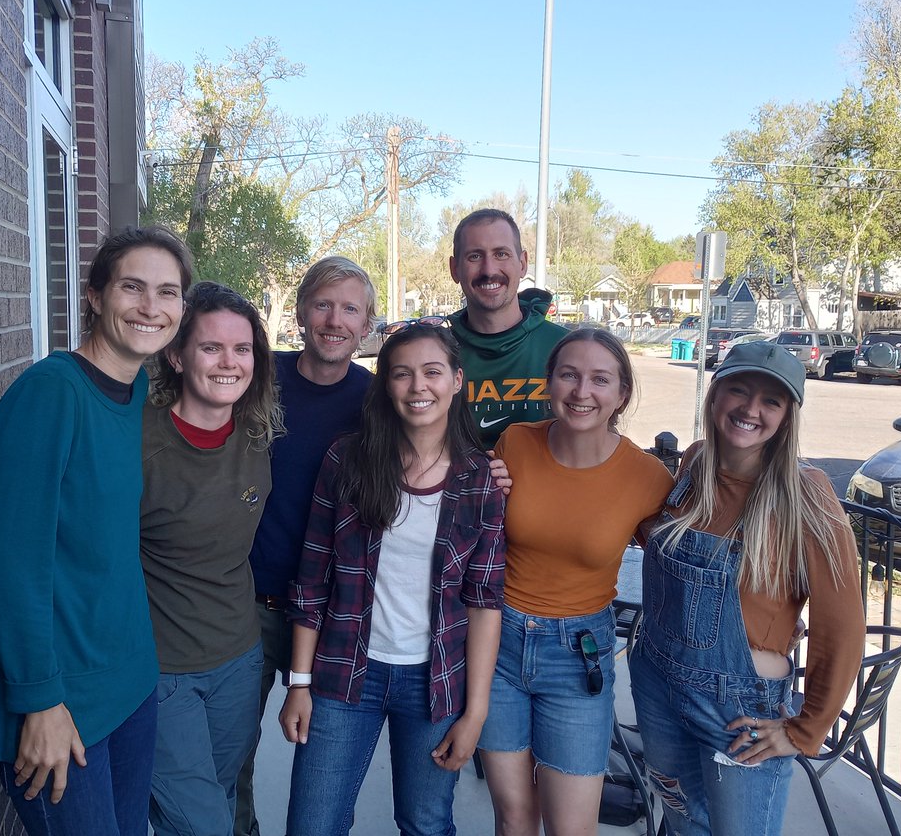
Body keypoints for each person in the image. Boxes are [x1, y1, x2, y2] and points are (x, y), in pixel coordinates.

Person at [0, 226, 192, 835]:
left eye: (168, 292)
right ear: (94, 296)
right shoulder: (50, 395)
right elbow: (9, 563)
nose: (151, 306)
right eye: (132, 287)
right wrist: (39, 699)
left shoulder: (135, 387)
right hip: (62, 702)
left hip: (130, 680)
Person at [629, 340, 866, 836]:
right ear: (715, 395)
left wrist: (806, 729)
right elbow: (665, 538)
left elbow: (841, 625)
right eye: (738, 390)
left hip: (738, 711)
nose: (750, 409)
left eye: (770, 401)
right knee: (683, 823)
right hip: (656, 681)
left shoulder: (807, 494)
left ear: (787, 416)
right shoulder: (695, 463)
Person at [280, 323, 506, 836]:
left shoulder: (480, 479)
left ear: (457, 380)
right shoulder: (347, 460)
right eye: (401, 374)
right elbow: (312, 578)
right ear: (385, 384)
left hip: (435, 681)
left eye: (432, 372)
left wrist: (475, 713)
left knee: (425, 823)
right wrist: (299, 683)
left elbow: (484, 601)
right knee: (312, 824)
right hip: (343, 674)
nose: (418, 386)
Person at [478, 328, 674, 835]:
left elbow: (690, 561)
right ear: (549, 383)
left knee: (571, 827)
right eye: (569, 375)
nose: (582, 391)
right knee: (514, 817)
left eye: (600, 379)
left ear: (621, 394)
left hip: (578, 654)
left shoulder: (648, 478)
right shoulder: (516, 443)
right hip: (498, 645)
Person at [234, 257, 376, 836]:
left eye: (350, 309)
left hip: (335, 617)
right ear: (299, 313)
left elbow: (436, 456)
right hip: (247, 603)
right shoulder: (257, 376)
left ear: (367, 324)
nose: (334, 320)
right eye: (323, 305)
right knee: (229, 756)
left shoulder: (378, 400)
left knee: (322, 775)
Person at [139, 282, 284, 836]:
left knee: (222, 797)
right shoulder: (138, 441)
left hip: (239, 660)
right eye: (211, 347)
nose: (229, 362)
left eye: (242, 349)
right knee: (199, 823)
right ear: (177, 356)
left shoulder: (257, 433)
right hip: (161, 672)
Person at [446, 208, 567, 448]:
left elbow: (598, 442)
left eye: (501, 254)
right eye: (474, 256)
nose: (489, 270)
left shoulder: (566, 349)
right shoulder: (435, 353)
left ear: (523, 263)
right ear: (454, 269)